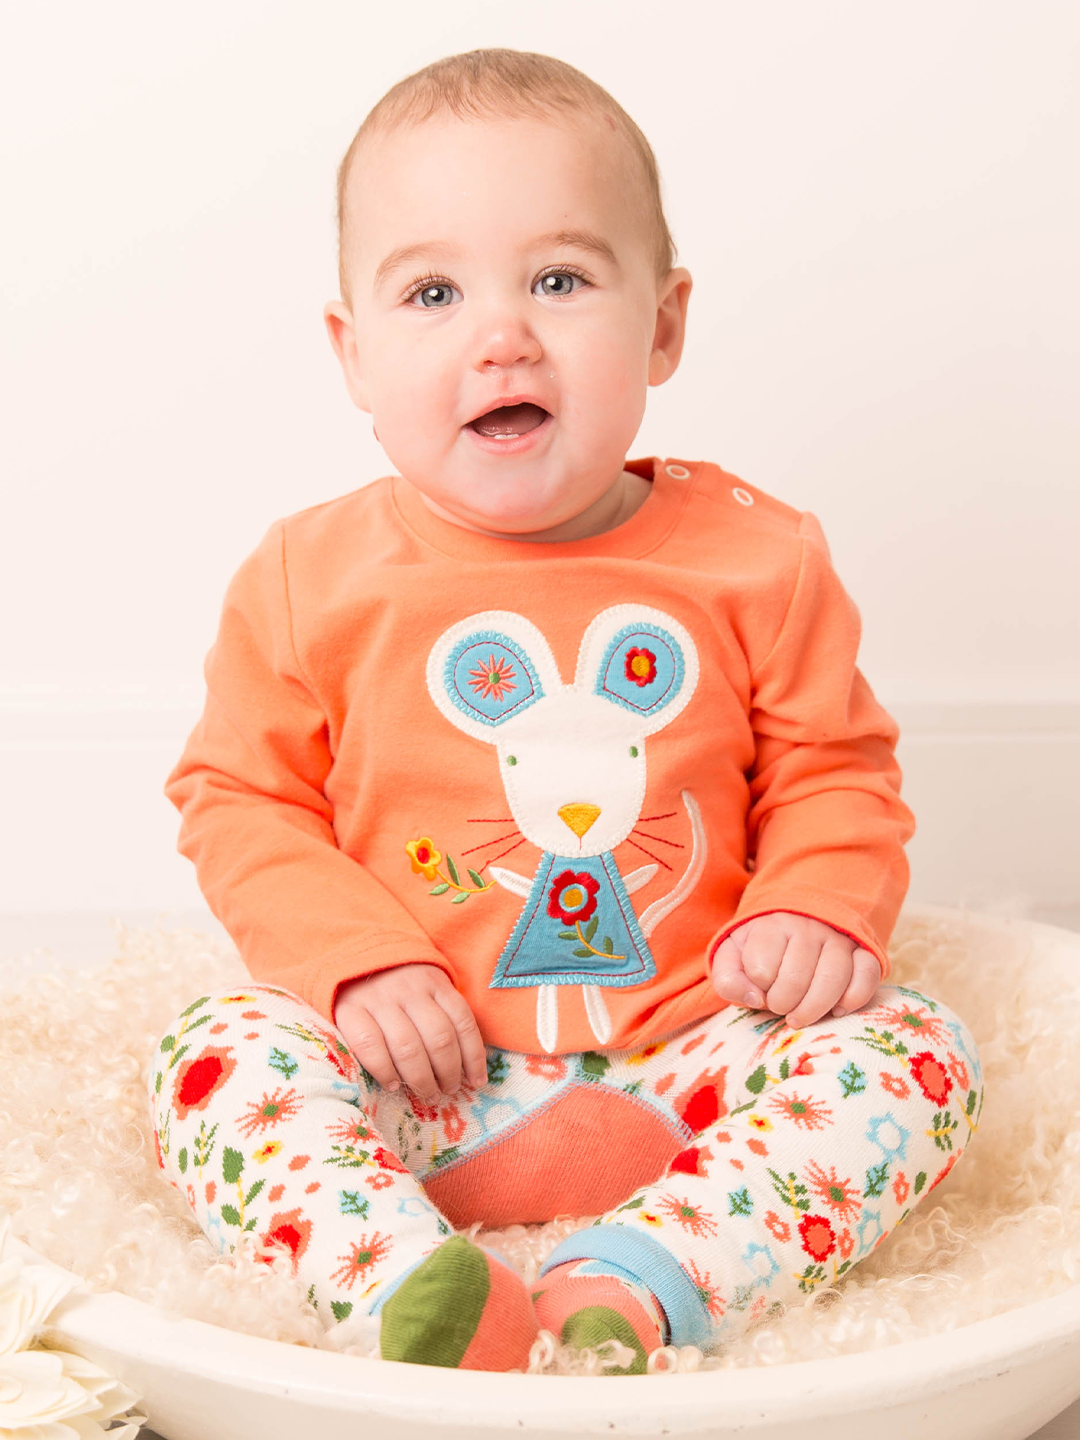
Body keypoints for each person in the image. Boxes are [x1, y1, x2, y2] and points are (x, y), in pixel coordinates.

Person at [149, 48, 984, 1374]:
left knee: (918, 1053)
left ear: (663, 324)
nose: (503, 337)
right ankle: (408, 1285)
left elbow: (832, 769)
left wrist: (815, 906)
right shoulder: (310, 576)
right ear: (354, 354)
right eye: (434, 293)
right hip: (421, 1082)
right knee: (213, 1057)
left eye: (559, 280)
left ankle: (649, 1274)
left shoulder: (759, 559)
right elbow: (242, 800)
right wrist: (357, 963)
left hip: (691, 1063)